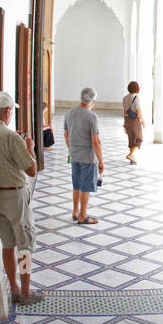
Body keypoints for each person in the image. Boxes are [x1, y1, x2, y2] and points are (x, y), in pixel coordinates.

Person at [0, 90, 41, 304]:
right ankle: (27, 292)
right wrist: (29, 148)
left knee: (7, 243)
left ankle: (14, 288)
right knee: (25, 245)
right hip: (15, 196)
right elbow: (31, 170)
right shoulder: (11, 136)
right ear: (8, 112)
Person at [63, 87, 105, 223]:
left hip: (74, 155)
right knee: (86, 187)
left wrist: (71, 148)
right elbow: (96, 141)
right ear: (93, 101)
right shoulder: (91, 116)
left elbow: (66, 134)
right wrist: (100, 161)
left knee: (76, 184)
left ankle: (75, 211)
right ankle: (83, 216)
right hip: (87, 157)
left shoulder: (69, 113)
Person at [123, 80, 144, 164]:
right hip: (135, 121)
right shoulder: (136, 98)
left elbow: (124, 112)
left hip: (127, 120)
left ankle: (132, 158)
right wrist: (142, 121)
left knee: (131, 139)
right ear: (137, 88)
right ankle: (130, 154)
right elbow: (138, 112)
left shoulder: (124, 98)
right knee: (139, 139)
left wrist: (125, 123)